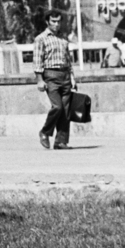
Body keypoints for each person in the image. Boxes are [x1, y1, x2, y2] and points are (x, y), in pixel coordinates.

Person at [33, 12, 75, 151]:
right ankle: (45, 132)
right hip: (50, 75)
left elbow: (68, 60)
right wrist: (39, 80)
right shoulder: (41, 39)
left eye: (58, 21)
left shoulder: (63, 39)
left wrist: (73, 78)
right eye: (53, 21)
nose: (56, 24)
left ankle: (61, 141)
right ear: (47, 22)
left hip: (65, 75)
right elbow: (38, 60)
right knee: (57, 107)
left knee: (66, 110)